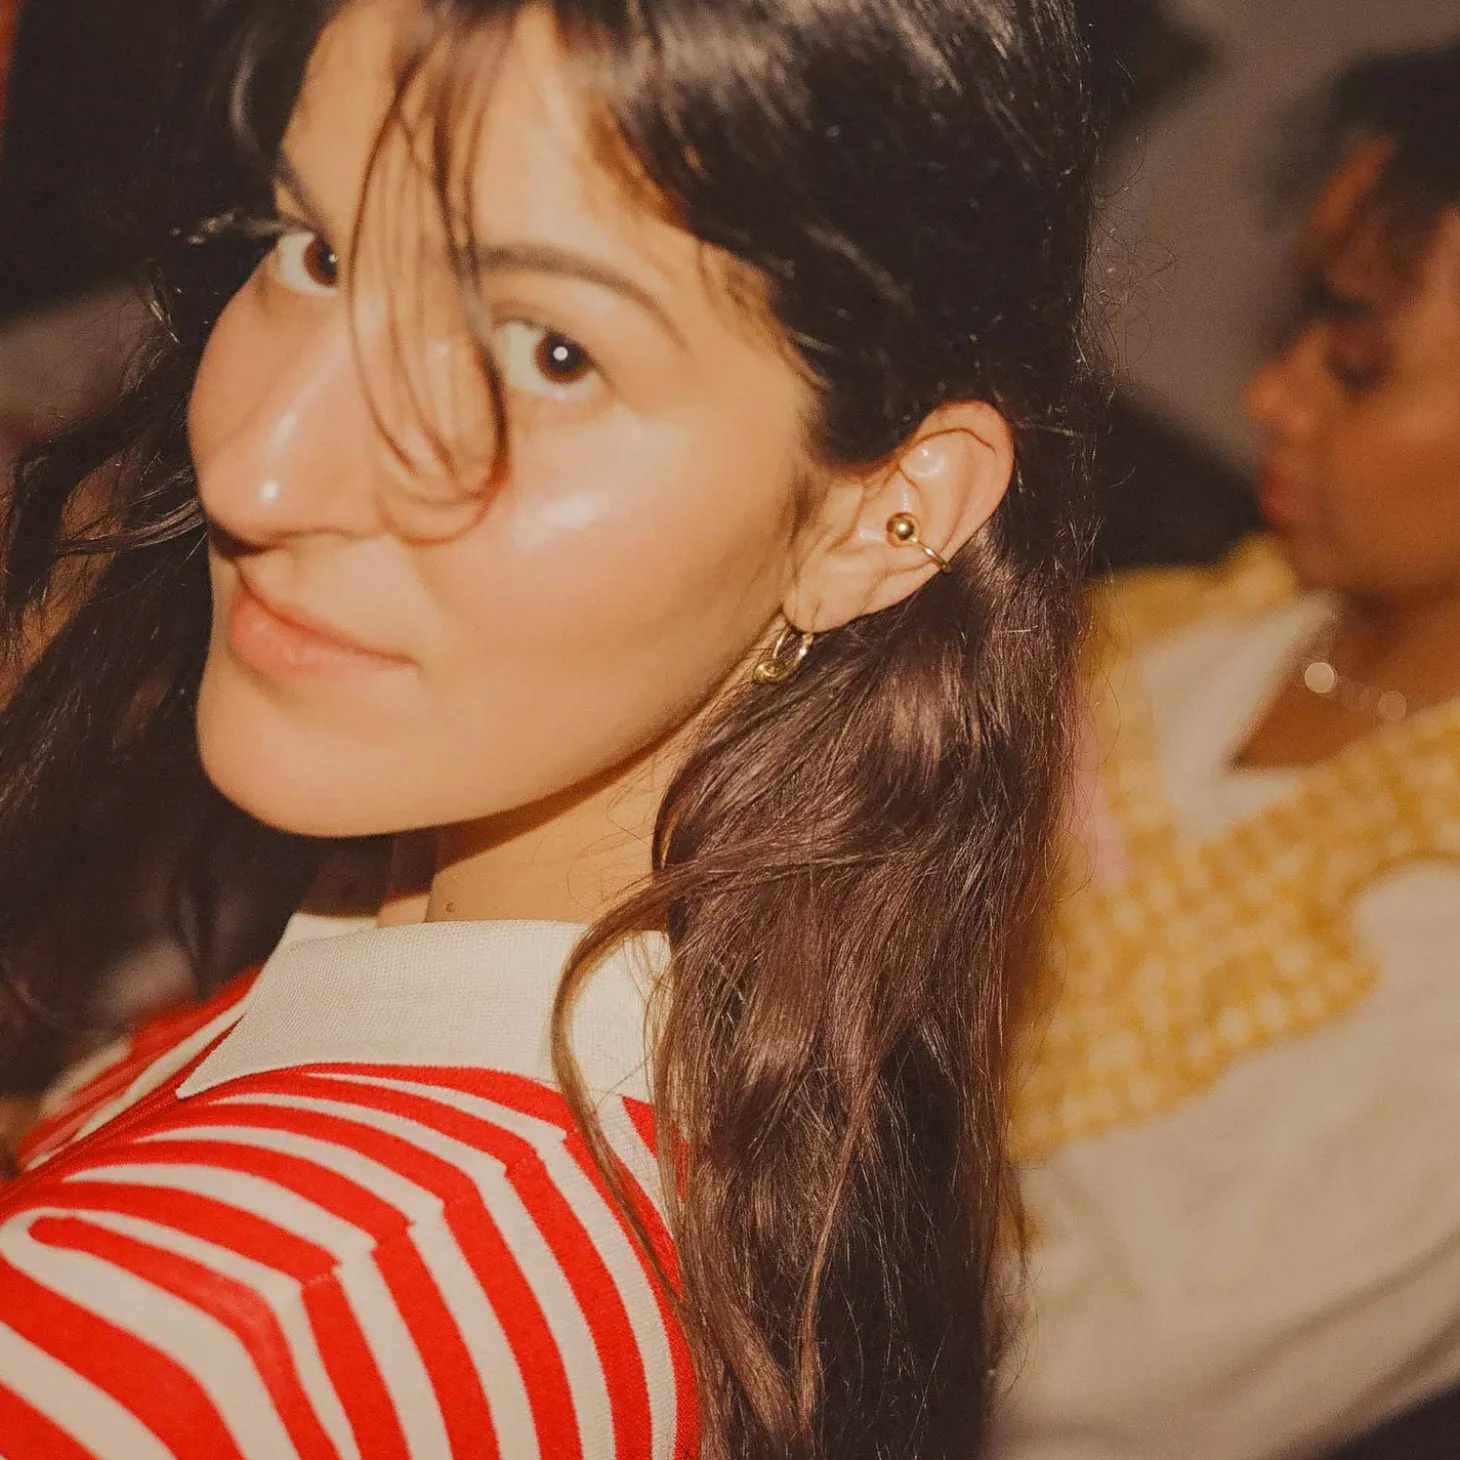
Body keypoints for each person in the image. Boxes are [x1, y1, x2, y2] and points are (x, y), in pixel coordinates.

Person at [0, 0, 1099, 1455]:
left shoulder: (218, 1339)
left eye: (550, 353)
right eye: (312, 252)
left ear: (881, 517)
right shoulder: (697, 1111)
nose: (260, 471)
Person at [993, 40, 1460, 1460]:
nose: (1273, 394)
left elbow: (1103, 1383)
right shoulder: (1181, 632)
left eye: (1357, 360)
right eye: (1303, 318)